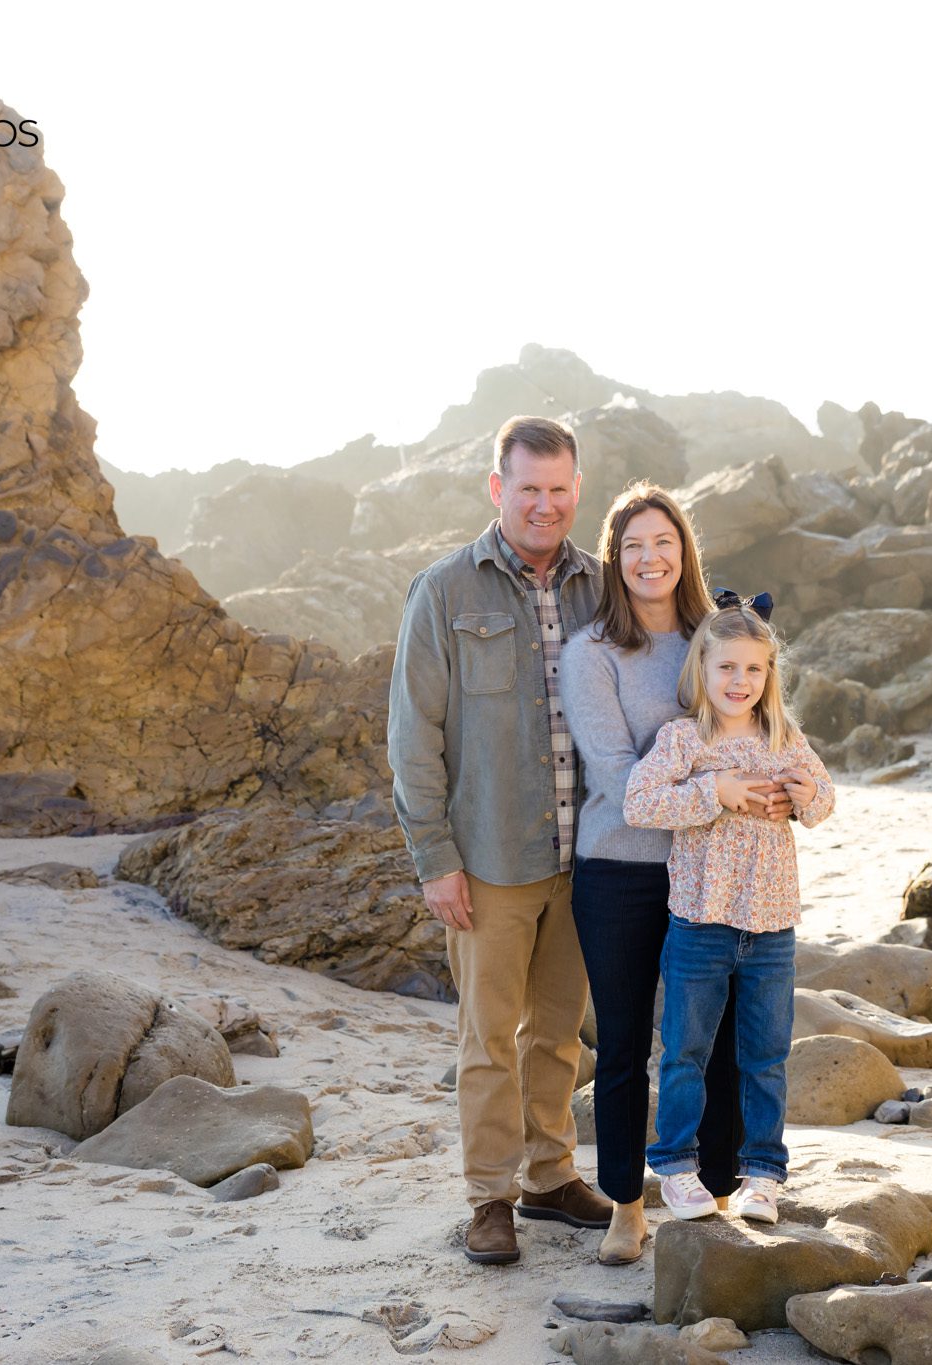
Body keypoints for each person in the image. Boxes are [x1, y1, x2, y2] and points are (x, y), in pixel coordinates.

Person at [388, 414, 614, 1266]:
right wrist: (435, 861)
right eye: (529, 489)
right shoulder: (443, 591)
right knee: (487, 1037)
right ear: (498, 488)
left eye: (559, 490)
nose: (544, 505)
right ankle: (491, 1197)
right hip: (489, 862)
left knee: (558, 1033)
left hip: (584, 857)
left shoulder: (602, 589)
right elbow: (413, 739)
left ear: (576, 491)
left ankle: (552, 1174)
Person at [559, 484, 783, 1265]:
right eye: (632, 546)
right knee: (623, 1044)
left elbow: (763, 732)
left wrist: (781, 791)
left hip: (714, 875)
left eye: (664, 542)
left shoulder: (715, 639)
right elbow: (623, 783)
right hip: (619, 871)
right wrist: (719, 793)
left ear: (685, 551)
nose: (650, 558)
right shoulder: (590, 652)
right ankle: (627, 1204)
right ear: (614, 560)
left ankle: (717, 1192)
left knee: (713, 1040)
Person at [622, 600, 834, 1224]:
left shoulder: (784, 739)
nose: (740, 682)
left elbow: (824, 800)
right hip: (699, 919)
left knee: (765, 1055)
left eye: (754, 670)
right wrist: (714, 791)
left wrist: (800, 797)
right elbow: (640, 802)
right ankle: (675, 1166)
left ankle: (763, 1175)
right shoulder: (685, 739)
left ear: (769, 675)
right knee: (686, 1048)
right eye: (727, 669)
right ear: (703, 670)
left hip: (771, 925)